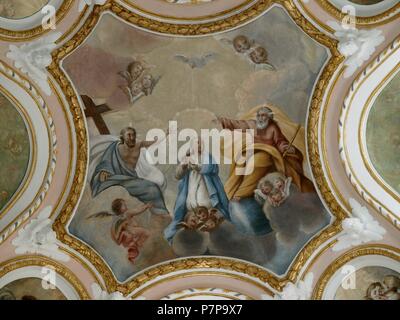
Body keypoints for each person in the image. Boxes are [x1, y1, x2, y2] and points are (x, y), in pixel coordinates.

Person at [90, 127, 169, 215]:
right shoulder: (115, 148)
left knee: (153, 188)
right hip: (117, 178)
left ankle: (161, 214)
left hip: (131, 178)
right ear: (122, 137)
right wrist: (104, 171)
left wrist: (166, 135)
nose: (132, 137)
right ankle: (160, 214)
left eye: (133, 135)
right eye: (129, 135)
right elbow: (106, 161)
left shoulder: (139, 144)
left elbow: (154, 143)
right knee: (151, 188)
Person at [164, 138, 230, 242]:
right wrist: (183, 166)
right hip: (191, 191)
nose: (199, 145)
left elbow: (212, 168)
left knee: (210, 220)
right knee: (187, 216)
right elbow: (177, 175)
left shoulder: (207, 157)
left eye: (201, 143)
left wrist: (197, 167)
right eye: (197, 143)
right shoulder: (187, 157)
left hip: (206, 190)